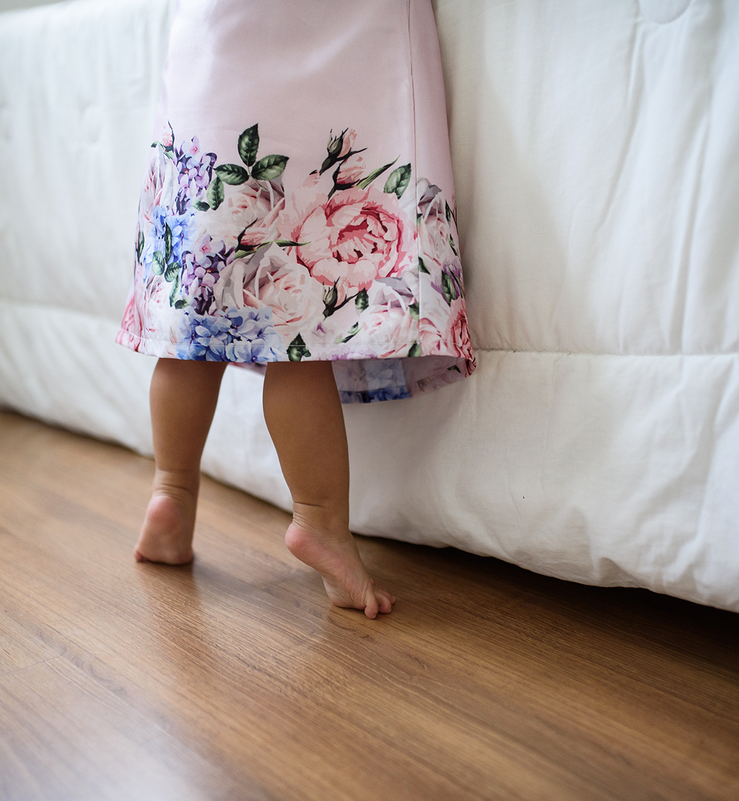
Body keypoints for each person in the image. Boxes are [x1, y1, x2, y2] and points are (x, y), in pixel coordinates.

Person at [117, 0, 475, 619]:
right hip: (333, 43)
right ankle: (319, 521)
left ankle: (171, 490)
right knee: (299, 329)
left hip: (218, 49)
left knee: (196, 323)